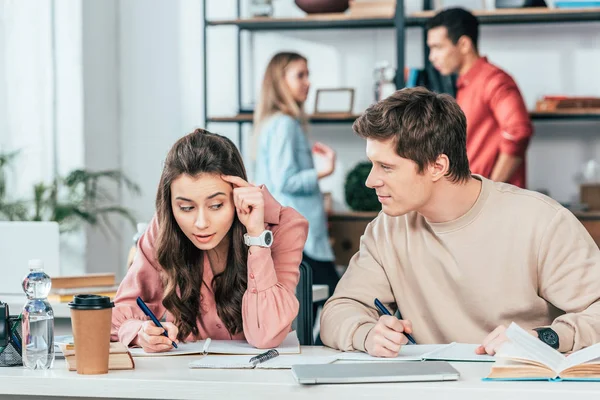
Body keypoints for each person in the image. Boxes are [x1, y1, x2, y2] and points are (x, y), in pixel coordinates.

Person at [320, 87, 600, 358]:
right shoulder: (387, 229)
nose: (371, 180)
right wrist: (366, 334)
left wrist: (545, 338)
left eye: (387, 167)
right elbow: (338, 311)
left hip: (521, 385)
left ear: (437, 166)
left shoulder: (541, 221)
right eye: (373, 164)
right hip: (433, 388)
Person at [111, 129, 308, 352]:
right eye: (186, 208)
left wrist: (256, 236)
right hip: (186, 375)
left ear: (238, 193)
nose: (201, 222)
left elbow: (266, 336)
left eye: (216, 206)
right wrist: (140, 333)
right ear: (170, 205)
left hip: (262, 378)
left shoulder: (284, 225)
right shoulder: (164, 227)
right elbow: (118, 313)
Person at [252, 51, 340, 308]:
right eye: (300, 75)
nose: (308, 82)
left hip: (288, 231)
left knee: (308, 306)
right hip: (302, 234)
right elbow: (285, 181)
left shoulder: (272, 123)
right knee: (336, 300)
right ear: (280, 81)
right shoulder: (285, 125)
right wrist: (326, 170)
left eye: (308, 75)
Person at [426, 8, 533, 188]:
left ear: (464, 45)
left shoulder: (495, 80)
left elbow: (518, 132)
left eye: (438, 47)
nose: (432, 57)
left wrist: (491, 190)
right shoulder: (465, 84)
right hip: (471, 199)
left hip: (494, 206)